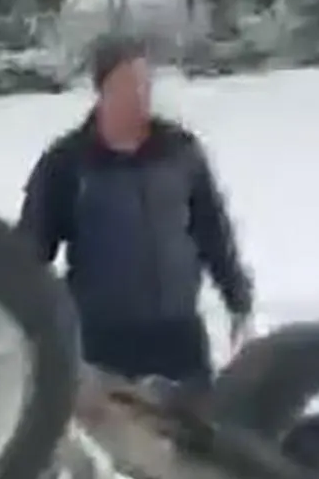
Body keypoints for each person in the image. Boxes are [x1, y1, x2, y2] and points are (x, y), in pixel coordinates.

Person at [18, 34, 253, 388]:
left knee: (197, 420)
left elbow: (213, 231)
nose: (140, 96)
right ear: (103, 90)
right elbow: (31, 253)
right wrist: (28, 326)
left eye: (145, 84)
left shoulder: (179, 151)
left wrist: (238, 298)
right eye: (128, 86)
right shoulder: (68, 162)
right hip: (103, 341)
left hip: (178, 333)